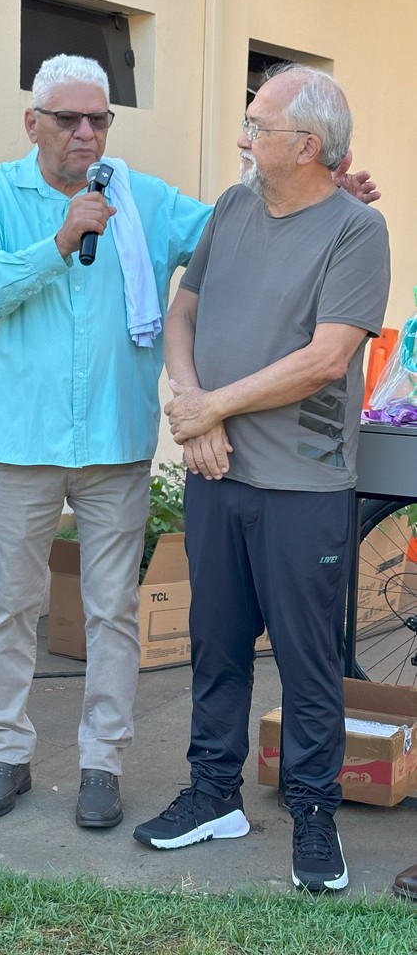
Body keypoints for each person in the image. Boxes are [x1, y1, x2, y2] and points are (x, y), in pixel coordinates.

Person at [0, 54, 378, 830]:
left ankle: (101, 763)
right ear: (32, 122)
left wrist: (325, 195)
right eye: (70, 118)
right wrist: (57, 241)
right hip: (24, 444)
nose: (87, 132)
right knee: (12, 604)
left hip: (114, 440)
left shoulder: (137, 197)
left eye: (100, 119)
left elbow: (243, 225)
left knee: (113, 611)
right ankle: (7, 753)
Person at [132, 64, 390, 892]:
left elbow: (325, 359)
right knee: (215, 646)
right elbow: (185, 310)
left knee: (310, 660)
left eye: (258, 125)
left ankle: (315, 813)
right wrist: (193, 402)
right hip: (218, 475)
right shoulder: (234, 206)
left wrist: (213, 413)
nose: (244, 138)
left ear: (306, 146)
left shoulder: (356, 231)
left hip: (302, 488)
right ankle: (214, 794)